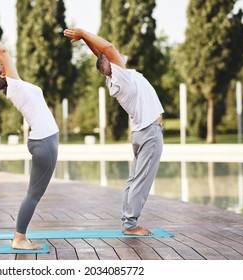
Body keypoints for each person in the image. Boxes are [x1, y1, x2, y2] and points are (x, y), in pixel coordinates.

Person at [0, 18, 59, 250]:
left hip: (43, 141)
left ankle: (20, 236)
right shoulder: (15, 85)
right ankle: (19, 238)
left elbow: (2, 53)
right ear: (3, 75)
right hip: (44, 143)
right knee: (34, 194)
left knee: (35, 193)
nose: (2, 61)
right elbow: (3, 50)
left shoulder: (16, 85)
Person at [64, 28, 164, 236]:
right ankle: (130, 224)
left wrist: (84, 40)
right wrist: (82, 32)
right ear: (111, 66)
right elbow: (108, 48)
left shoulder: (116, 77)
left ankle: (128, 220)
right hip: (150, 133)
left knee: (134, 178)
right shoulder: (123, 78)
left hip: (141, 133)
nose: (114, 55)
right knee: (142, 180)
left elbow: (101, 53)